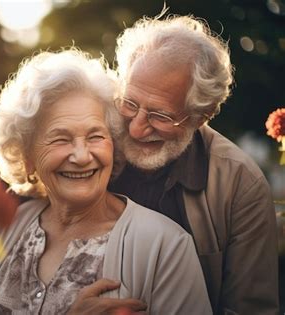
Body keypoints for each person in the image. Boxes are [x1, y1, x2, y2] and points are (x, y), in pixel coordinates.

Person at [0, 48, 212, 315]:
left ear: (113, 144)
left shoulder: (165, 247)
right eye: (61, 139)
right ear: (26, 155)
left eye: (95, 136)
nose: (82, 156)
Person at [109, 13, 279, 314]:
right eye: (130, 103)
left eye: (160, 116)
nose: (136, 128)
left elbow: (249, 309)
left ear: (201, 116)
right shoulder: (92, 147)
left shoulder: (241, 185)